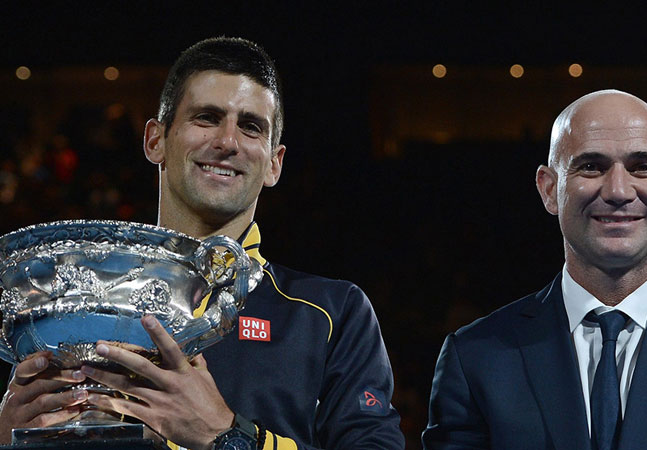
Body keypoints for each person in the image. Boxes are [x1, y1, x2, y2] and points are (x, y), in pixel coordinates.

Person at [0, 37, 404, 450]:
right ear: (155, 140)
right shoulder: (46, 308)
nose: (228, 142)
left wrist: (224, 435)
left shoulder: (331, 314)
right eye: (207, 118)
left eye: (250, 126)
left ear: (274, 163)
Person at [422, 90, 647, 449]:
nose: (618, 191)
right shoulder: (477, 357)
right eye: (591, 166)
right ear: (549, 189)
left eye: (642, 167)